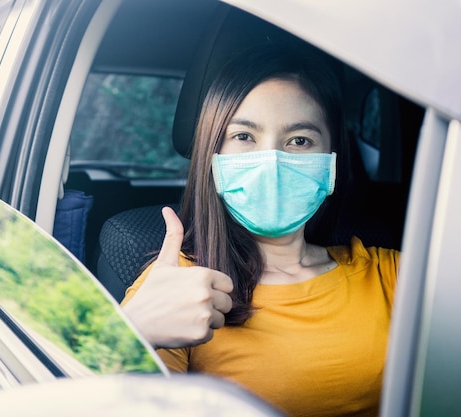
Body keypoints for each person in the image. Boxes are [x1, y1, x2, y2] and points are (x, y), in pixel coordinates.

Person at [121, 43, 399, 417]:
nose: (272, 161)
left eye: (299, 141)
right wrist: (131, 331)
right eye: (244, 136)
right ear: (213, 156)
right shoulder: (175, 286)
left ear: (331, 162)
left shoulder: (393, 275)